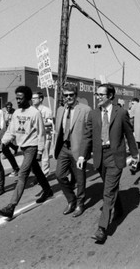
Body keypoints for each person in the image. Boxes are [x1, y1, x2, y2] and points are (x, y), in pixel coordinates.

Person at [77, 83, 139, 243]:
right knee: (110, 188)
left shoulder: (121, 113)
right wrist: (82, 156)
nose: (98, 97)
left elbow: (129, 135)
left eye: (101, 95)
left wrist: (134, 155)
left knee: (108, 192)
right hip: (99, 156)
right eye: (97, 94)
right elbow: (87, 137)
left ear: (110, 96)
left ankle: (102, 228)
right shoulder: (93, 114)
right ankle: (119, 207)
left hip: (115, 156)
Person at [0, 86, 53, 218]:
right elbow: (11, 131)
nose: (18, 101)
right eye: (17, 98)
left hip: (32, 147)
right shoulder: (16, 113)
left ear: (27, 98)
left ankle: (11, 207)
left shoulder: (35, 113)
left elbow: (41, 133)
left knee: (22, 174)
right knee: (37, 171)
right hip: (23, 147)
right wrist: (3, 142)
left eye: (20, 98)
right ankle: (47, 190)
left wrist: (39, 151)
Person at [54, 84, 91, 217]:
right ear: (63, 96)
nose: (68, 97)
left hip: (78, 149)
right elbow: (59, 129)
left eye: (71, 95)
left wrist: (86, 152)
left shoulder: (85, 110)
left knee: (80, 179)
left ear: (76, 96)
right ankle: (71, 200)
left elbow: (89, 133)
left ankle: (80, 204)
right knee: (59, 175)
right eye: (66, 95)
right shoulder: (60, 110)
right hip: (64, 147)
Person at [32, 91, 53, 176]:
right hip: (34, 136)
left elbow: (50, 123)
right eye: (32, 98)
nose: (32, 100)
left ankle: (44, 174)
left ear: (40, 99)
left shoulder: (46, 110)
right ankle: (37, 173)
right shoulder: (31, 110)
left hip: (45, 135)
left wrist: (39, 123)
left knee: (44, 156)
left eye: (35, 98)